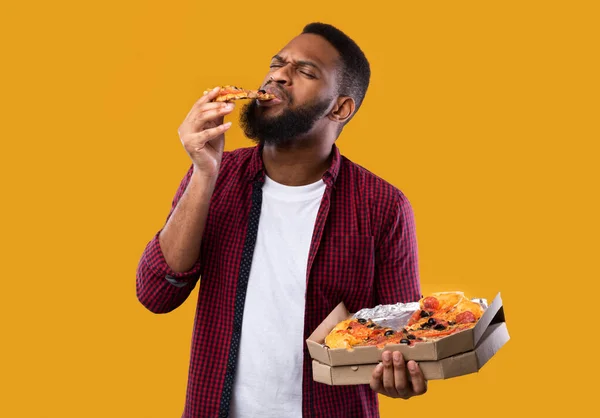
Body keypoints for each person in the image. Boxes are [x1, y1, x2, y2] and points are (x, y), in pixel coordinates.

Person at [136, 22, 427, 418]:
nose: (278, 76)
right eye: (277, 64)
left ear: (340, 107)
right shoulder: (216, 175)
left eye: (304, 72)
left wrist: (399, 372)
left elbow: (403, 346)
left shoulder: (383, 206)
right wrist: (204, 173)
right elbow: (156, 294)